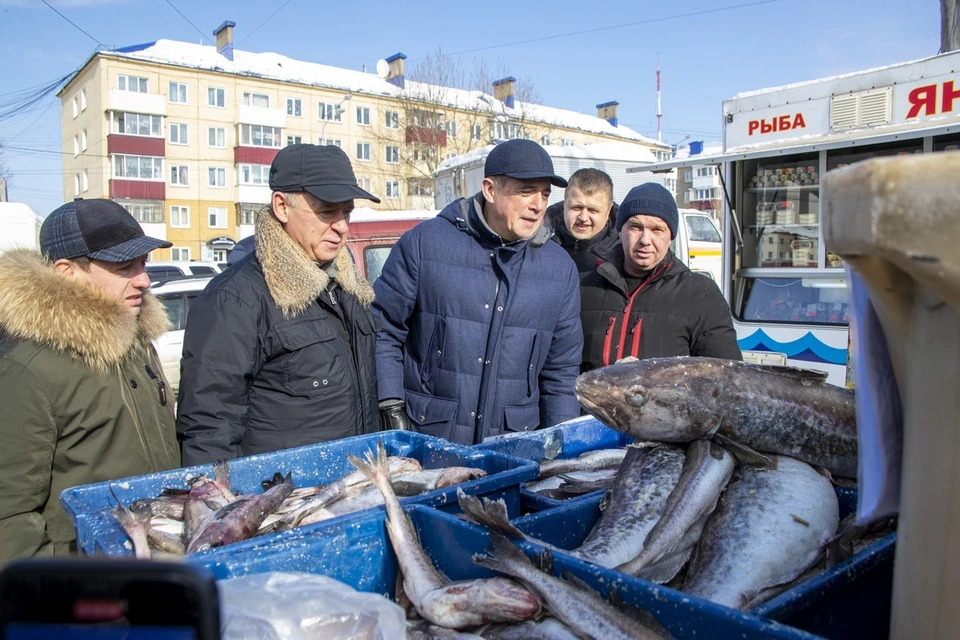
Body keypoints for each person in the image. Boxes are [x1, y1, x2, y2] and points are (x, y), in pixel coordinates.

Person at [177, 144, 381, 466]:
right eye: (327, 211)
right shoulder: (235, 299)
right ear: (282, 207)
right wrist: (221, 507)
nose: (342, 226)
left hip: (350, 491)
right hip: (283, 501)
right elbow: (208, 428)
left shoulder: (347, 288)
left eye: (347, 212)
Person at [0, 198, 180, 561]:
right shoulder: (27, 367)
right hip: (88, 584)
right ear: (68, 272)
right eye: (124, 266)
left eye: (143, 263)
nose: (144, 279)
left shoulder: (136, 341)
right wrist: (62, 591)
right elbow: (9, 514)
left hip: (158, 560)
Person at [373, 139, 583, 445]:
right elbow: (383, 329)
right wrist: (390, 404)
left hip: (513, 445)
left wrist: (562, 447)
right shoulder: (425, 244)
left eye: (545, 194)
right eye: (526, 192)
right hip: (428, 438)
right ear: (490, 189)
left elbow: (561, 372)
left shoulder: (559, 268)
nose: (538, 205)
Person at [579, 182, 742, 371]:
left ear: (671, 236)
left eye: (657, 230)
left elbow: (726, 376)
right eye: (636, 227)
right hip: (592, 400)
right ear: (620, 230)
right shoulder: (585, 286)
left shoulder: (700, 294)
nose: (645, 240)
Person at [544, 168, 620, 276]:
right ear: (564, 204)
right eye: (577, 208)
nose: (583, 218)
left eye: (593, 210)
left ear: (608, 211)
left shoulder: (623, 255)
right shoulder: (538, 243)